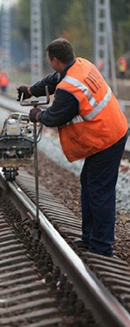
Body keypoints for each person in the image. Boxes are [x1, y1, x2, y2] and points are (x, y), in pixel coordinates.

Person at [17, 38, 128, 257]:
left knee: (99, 191)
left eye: (50, 61)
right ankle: (90, 238)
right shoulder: (80, 65)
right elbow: (53, 79)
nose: (51, 65)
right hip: (109, 131)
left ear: (56, 60)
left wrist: (37, 114)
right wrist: (31, 90)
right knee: (89, 183)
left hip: (107, 139)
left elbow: (55, 116)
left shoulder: (69, 89)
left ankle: (102, 247)